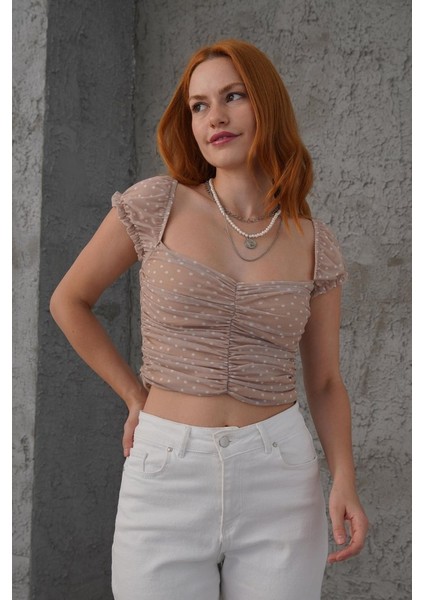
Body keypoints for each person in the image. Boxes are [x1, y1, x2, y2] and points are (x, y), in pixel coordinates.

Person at [50, 39, 368, 600]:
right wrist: (134, 395)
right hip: (166, 469)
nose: (214, 117)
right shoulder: (157, 204)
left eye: (233, 97)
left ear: (266, 105)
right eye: (199, 106)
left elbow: (323, 381)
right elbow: (69, 300)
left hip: (280, 475)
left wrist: (344, 476)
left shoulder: (315, 242)